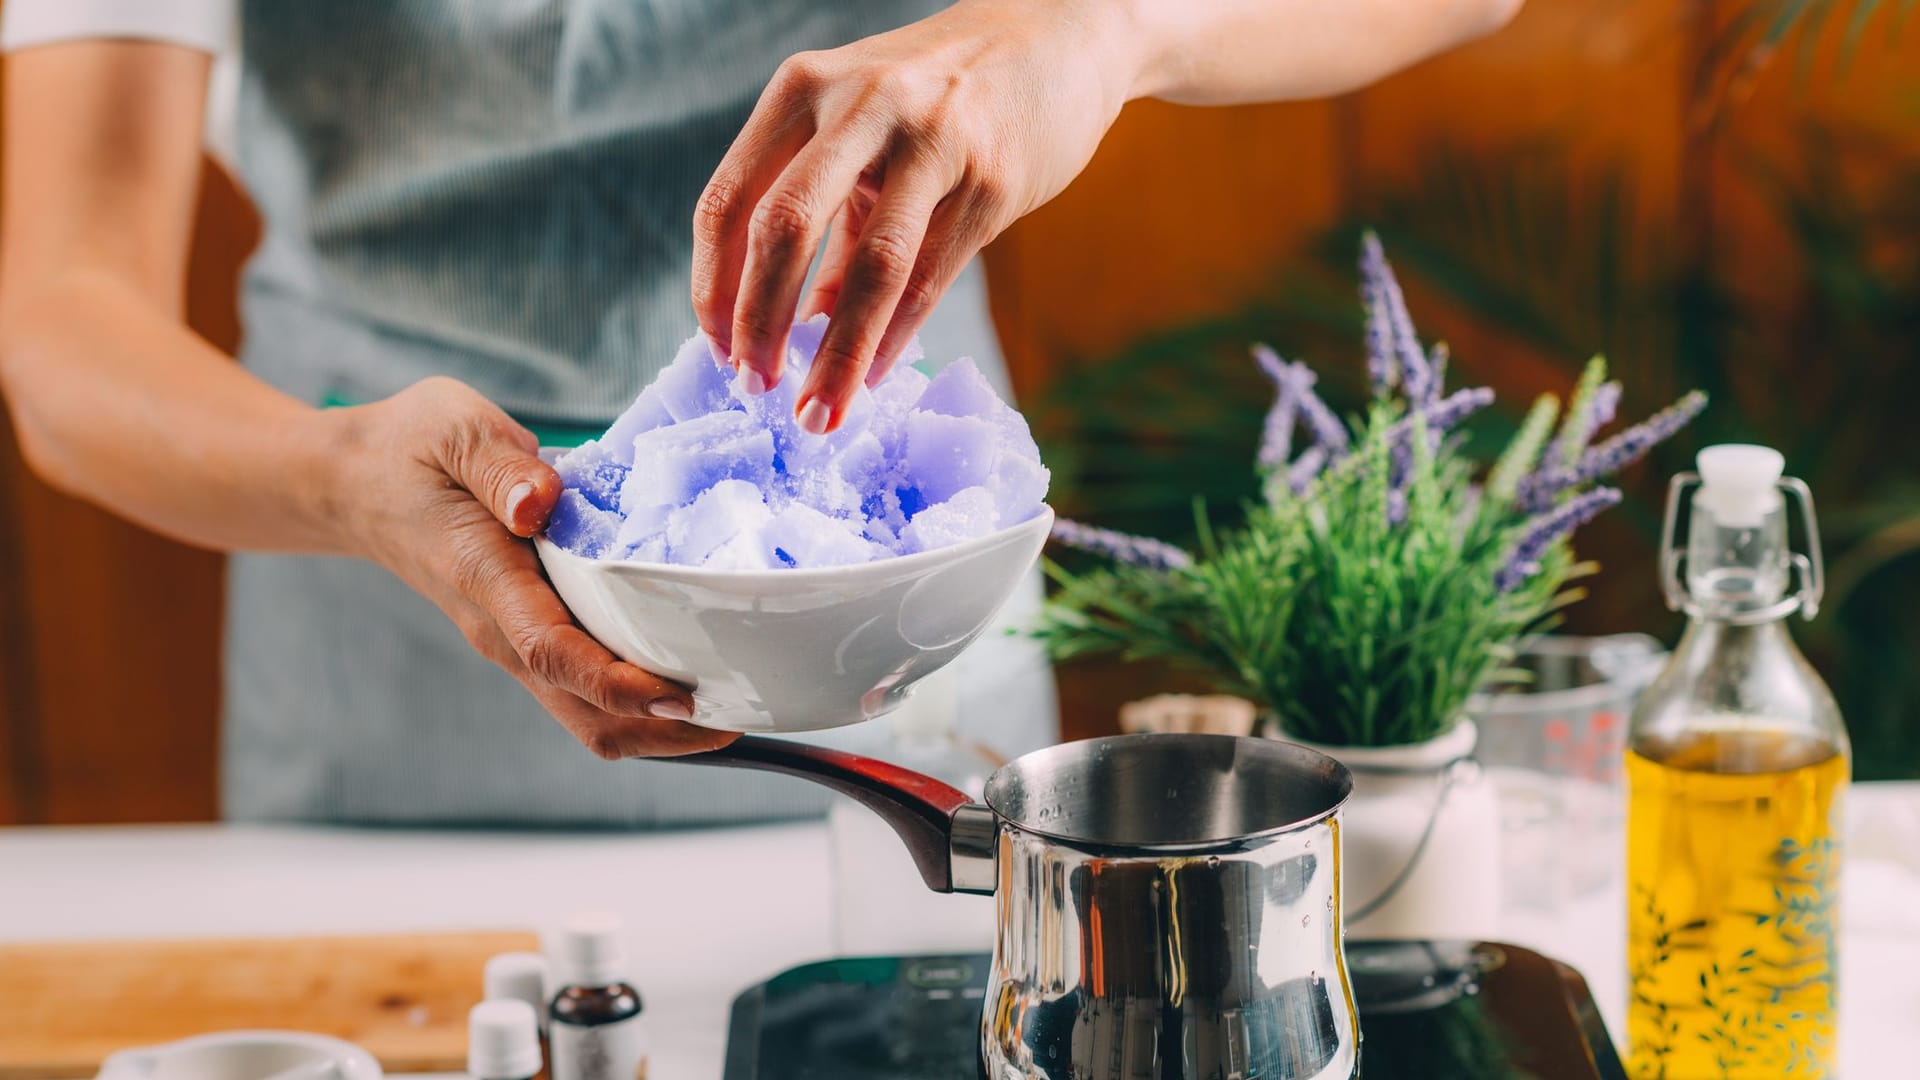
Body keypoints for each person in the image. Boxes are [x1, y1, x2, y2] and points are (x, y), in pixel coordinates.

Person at [0, 0, 1524, 826]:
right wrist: (340, 476)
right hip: (384, 653)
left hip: (901, 665)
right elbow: (64, 326)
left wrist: (1108, 25)